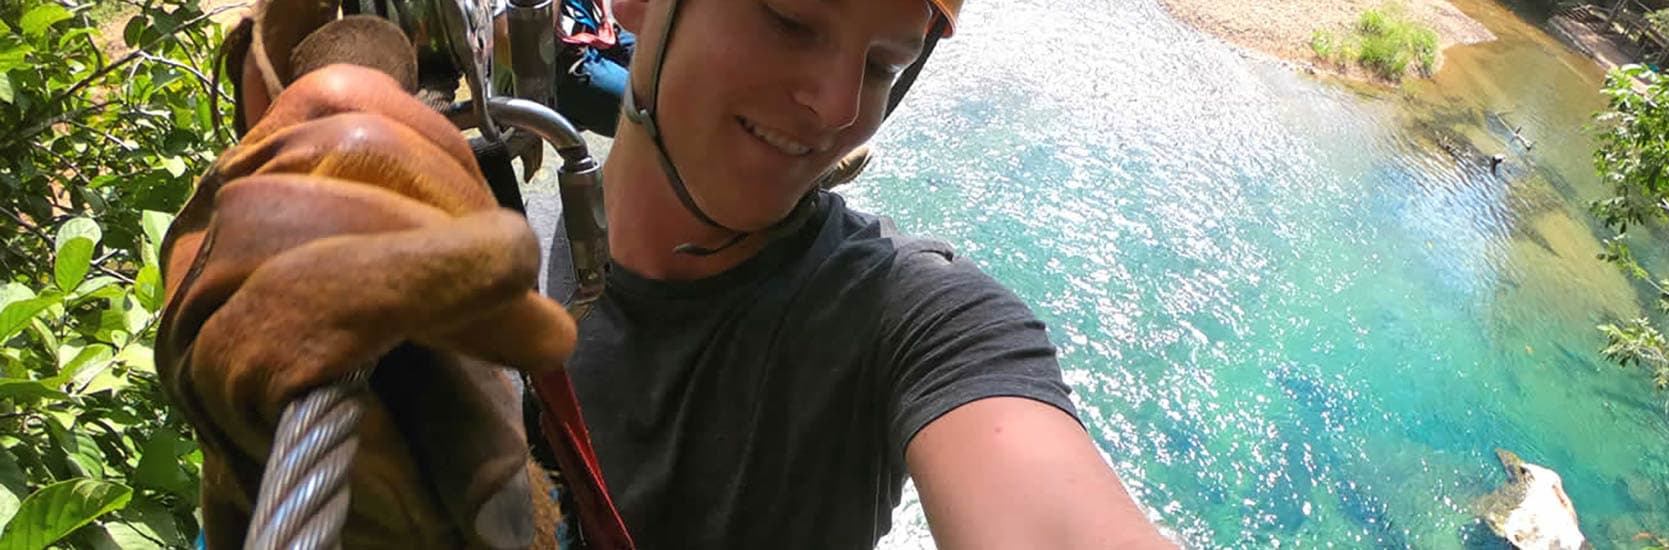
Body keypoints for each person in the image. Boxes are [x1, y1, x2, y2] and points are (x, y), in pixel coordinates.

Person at [159, 0, 1173, 547]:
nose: (833, 107)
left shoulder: (916, 317)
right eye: (789, 18)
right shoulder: (462, 270)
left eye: (881, 65)